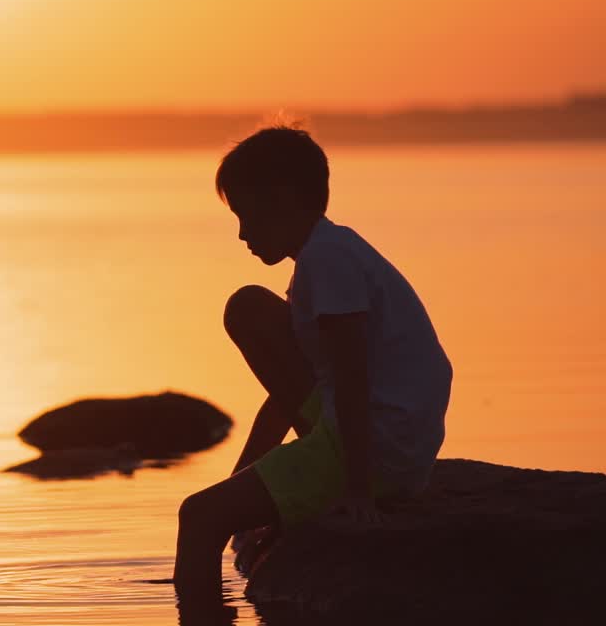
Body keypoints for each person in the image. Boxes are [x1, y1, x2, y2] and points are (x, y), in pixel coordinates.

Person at [172, 123, 453, 612]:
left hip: (377, 452)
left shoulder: (329, 262)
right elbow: (294, 388)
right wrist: (242, 480)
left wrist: (358, 491)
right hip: (372, 441)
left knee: (198, 518)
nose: (241, 233)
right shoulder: (326, 255)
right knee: (247, 308)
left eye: (246, 216)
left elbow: (352, 375)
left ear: (282, 200)